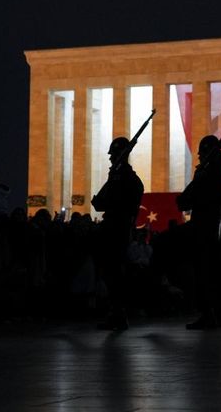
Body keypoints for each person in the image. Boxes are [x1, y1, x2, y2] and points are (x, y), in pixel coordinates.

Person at [176, 135, 221, 329]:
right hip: (213, 233)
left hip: (205, 231)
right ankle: (217, 314)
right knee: (211, 276)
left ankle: (208, 314)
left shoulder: (209, 177)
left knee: (204, 276)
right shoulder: (215, 177)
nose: (198, 158)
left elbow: (185, 201)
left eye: (201, 154)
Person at [91, 137, 144, 331]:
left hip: (117, 228)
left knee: (113, 272)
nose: (111, 159)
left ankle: (118, 313)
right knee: (110, 271)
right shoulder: (118, 176)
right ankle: (116, 312)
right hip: (114, 227)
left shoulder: (125, 178)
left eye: (114, 155)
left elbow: (115, 201)